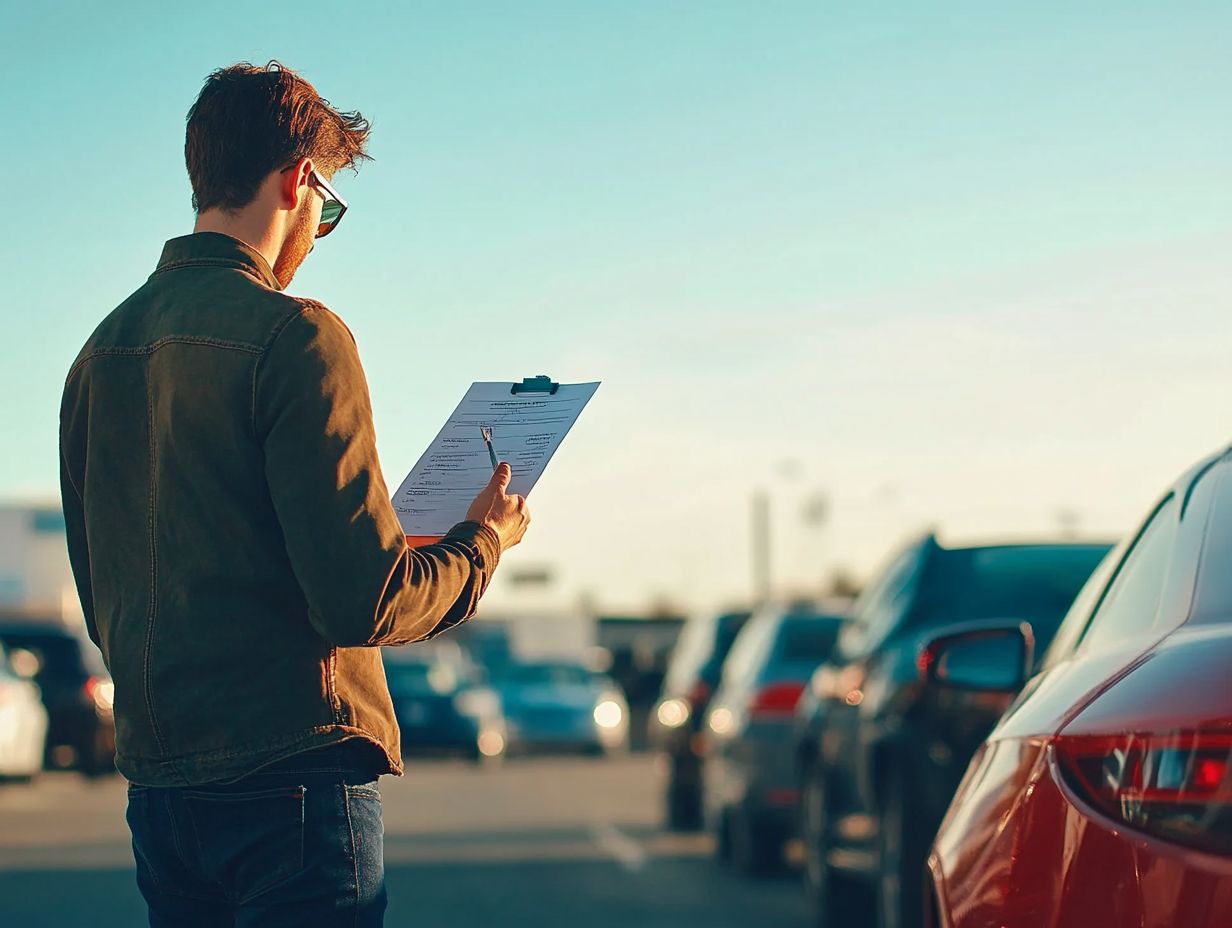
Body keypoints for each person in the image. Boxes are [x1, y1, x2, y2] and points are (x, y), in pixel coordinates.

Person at [58, 61, 530, 927]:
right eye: (328, 207)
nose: (318, 228)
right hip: (293, 788)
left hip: (161, 792)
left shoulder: (98, 355)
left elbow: (106, 599)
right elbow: (366, 600)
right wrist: (482, 541)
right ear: (298, 182)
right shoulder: (297, 335)